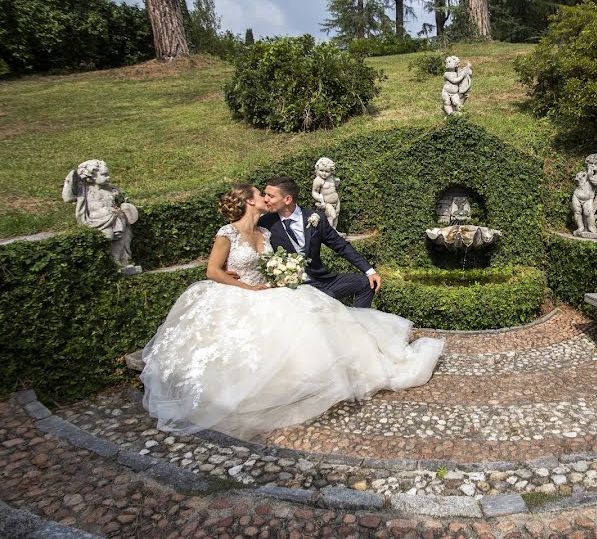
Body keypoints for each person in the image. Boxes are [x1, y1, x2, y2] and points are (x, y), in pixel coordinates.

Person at [140, 183, 444, 440]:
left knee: (316, 325)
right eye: (261, 195)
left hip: (276, 291)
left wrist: (365, 269)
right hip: (241, 295)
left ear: (287, 199)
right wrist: (247, 288)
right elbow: (213, 271)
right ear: (249, 201)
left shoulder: (267, 231)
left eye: (268, 194)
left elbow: (333, 245)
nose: (265, 198)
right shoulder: (228, 233)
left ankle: (348, 351)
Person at [260, 176, 379, 308]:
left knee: (367, 283)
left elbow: (340, 245)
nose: (265, 199)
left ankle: (358, 324)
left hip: (320, 280)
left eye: (270, 196)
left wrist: (369, 271)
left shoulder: (316, 217)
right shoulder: (265, 223)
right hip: (291, 287)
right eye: (265, 194)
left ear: (288, 199)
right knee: (325, 301)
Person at [311, 157, 341, 230]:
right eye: (321, 170)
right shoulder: (318, 180)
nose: (324, 173)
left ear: (331, 171)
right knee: (332, 216)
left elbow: (334, 188)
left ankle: (334, 231)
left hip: (336, 201)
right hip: (326, 203)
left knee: (336, 216)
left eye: (327, 171)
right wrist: (320, 199)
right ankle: (328, 234)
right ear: (317, 170)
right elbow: (314, 192)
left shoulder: (331, 178)